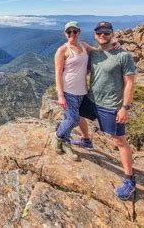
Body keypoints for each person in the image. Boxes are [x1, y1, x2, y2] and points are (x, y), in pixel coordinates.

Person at [71, 21, 137, 201]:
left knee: (119, 140)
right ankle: (86, 140)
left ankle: (130, 180)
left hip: (111, 105)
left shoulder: (124, 56)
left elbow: (130, 82)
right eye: (99, 32)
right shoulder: (95, 53)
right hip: (91, 99)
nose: (103, 35)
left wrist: (125, 107)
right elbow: (80, 45)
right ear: (95, 34)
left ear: (112, 34)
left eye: (106, 32)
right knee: (75, 114)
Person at [52, 21, 120, 161]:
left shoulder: (84, 46)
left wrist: (114, 45)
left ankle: (65, 143)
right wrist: (60, 95)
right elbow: (57, 74)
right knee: (73, 119)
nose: (72, 34)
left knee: (72, 117)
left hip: (82, 90)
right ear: (65, 33)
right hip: (67, 90)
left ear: (79, 32)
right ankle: (57, 136)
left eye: (74, 31)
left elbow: (100, 53)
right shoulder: (62, 50)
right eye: (69, 32)